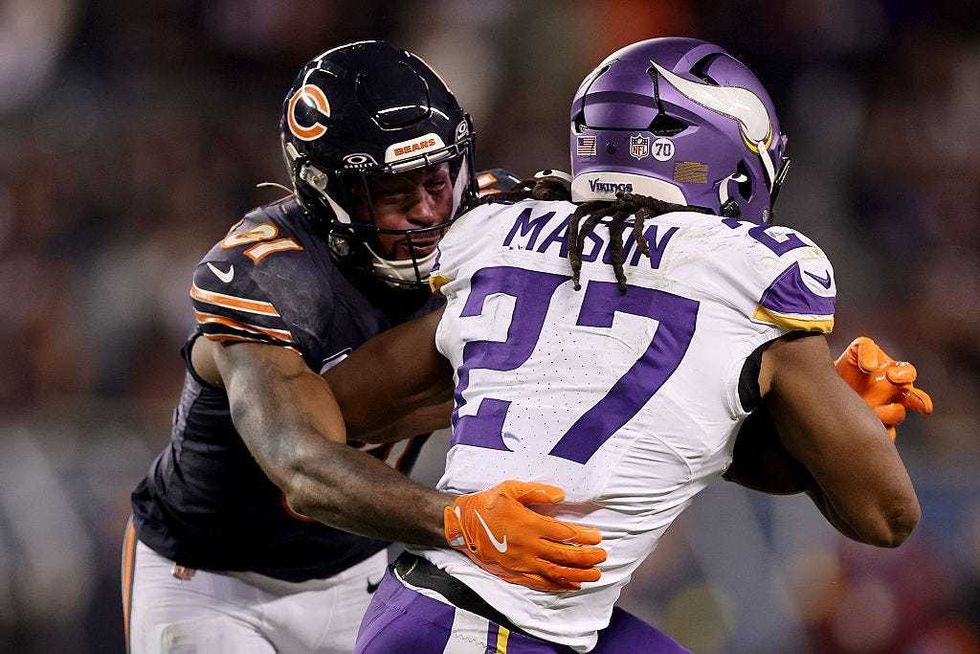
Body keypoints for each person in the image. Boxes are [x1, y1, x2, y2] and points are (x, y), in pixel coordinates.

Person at [318, 38, 933, 652]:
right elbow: (886, 516)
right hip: (493, 625)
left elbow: (341, 409)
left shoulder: (499, 231)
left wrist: (810, 422)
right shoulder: (749, 273)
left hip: (434, 605)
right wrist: (837, 419)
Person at [122, 41, 605, 654]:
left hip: (361, 568)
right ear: (330, 197)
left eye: (437, 181)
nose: (431, 211)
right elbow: (304, 466)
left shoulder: (496, 218)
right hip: (213, 577)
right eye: (397, 196)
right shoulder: (268, 274)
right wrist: (456, 521)